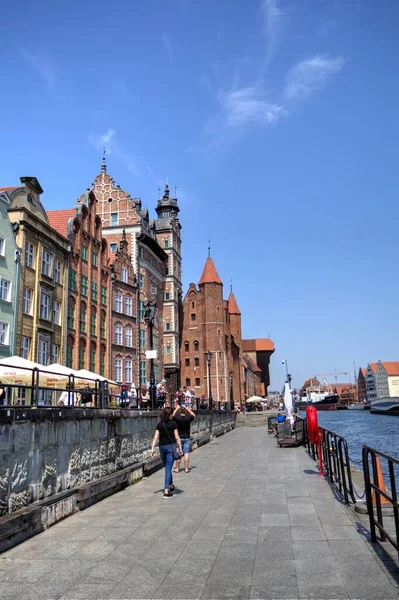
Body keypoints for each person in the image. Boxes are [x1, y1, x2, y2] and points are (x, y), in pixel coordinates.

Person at [151, 407, 183, 498]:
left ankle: (171, 486)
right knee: (168, 469)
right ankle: (166, 490)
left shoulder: (159, 424)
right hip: (170, 447)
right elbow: (177, 437)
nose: (173, 415)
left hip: (162, 448)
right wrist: (180, 448)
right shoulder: (173, 424)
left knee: (167, 467)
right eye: (172, 413)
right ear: (170, 414)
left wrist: (152, 449)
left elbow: (155, 437)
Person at [172, 404, 195, 473]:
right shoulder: (188, 418)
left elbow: (172, 415)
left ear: (179, 412)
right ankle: (186, 468)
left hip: (178, 437)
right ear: (185, 412)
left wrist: (176, 409)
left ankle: (177, 468)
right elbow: (193, 415)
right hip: (186, 437)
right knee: (186, 453)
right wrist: (187, 409)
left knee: (179, 453)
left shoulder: (177, 418)